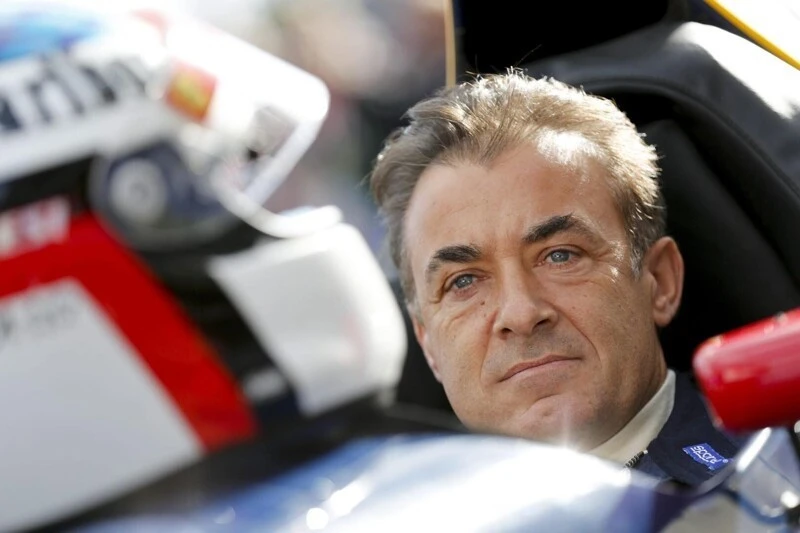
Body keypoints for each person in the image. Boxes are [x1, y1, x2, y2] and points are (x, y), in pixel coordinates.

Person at [369, 69, 745, 484]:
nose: (520, 314)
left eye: (560, 256)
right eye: (463, 282)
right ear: (428, 344)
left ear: (660, 280)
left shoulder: (778, 468)